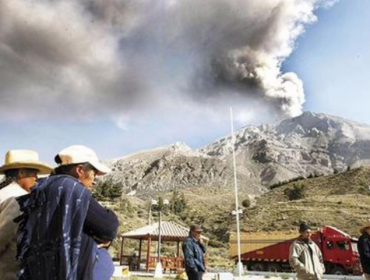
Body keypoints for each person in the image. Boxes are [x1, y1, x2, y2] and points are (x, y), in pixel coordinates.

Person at [16, 145, 119, 280]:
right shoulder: (70, 188)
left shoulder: (43, 187)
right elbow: (109, 227)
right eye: (94, 174)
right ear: (80, 170)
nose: (94, 181)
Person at [0, 149, 52, 280]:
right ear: (21, 172)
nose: (36, 179)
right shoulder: (18, 198)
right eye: (34, 173)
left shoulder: (4, 192)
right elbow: (2, 237)